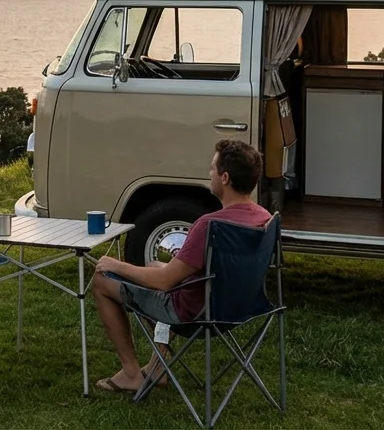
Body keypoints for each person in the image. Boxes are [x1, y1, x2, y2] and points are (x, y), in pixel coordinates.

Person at [89, 139, 271, 394]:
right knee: (153, 265)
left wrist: (115, 265)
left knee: (102, 282)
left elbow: (164, 282)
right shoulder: (264, 218)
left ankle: (131, 374)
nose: (210, 174)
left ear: (225, 177)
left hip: (193, 313)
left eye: (212, 169)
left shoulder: (209, 225)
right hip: (239, 307)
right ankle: (157, 367)